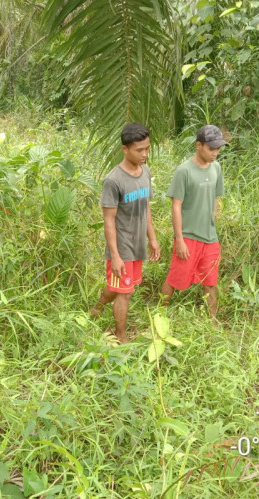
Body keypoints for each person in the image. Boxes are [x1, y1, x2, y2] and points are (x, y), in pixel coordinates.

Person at [89, 122, 160, 342]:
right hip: (122, 246)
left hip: (137, 243)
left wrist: (152, 239)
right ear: (125, 149)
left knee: (120, 286)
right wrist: (116, 256)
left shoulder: (145, 171)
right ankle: (121, 336)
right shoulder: (113, 180)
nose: (145, 154)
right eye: (139, 150)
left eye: (147, 148)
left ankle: (96, 309)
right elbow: (108, 221)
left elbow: (145, 207)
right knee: (125, 292)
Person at [159, 124, 227, 320]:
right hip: (188, 235)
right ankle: (160, 313)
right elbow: (176, 206)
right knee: (175, 278)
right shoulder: (184, 171)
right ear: (199, 145)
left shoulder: (216, 168)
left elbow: (216, 196)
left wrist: (214, 218)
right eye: (211, 148)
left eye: (218, 148)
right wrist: (179, 239)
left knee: (210, 281)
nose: (215, 153)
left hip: (210, 237)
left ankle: (212, 321)